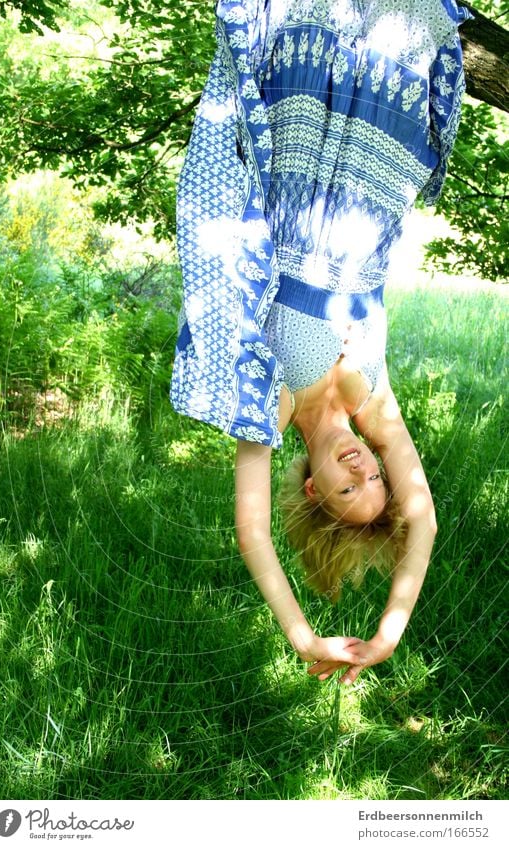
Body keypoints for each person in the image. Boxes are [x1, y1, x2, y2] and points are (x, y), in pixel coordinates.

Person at [170, 0, 472, 683]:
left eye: (346, 487)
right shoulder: (376, 408)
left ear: (313, 489)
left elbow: (251, 530)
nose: (362, 469)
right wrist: (388, 633)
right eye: (373, 476)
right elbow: (421, 524)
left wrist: (302, 633)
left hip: (304, 158)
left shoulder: (268, 407)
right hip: (372, 169)